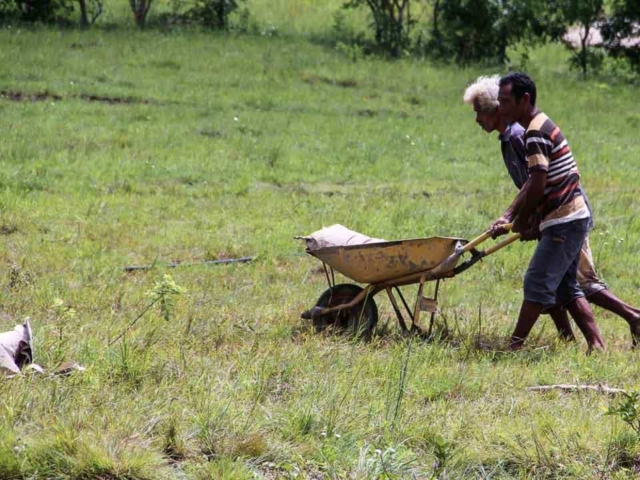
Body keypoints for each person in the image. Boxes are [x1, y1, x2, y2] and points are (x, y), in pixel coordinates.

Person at [465, 74, 640, 349]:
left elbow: (536, 182)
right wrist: (516, 217)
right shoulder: (516, 135)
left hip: (566, 214)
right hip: (557, 214)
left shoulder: (526, 134)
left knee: (555, 281)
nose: (479, 119)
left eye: (504, 102)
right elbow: (531, 184)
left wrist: (521, 219)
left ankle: (516, 346)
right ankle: (586, 342)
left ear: (521, 101)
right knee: (564, 284)